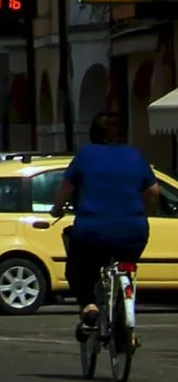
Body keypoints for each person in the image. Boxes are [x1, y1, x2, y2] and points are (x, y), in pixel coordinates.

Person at [59, 112, 154, 338]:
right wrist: (145, 212)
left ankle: (89, 307)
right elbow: (154, 192)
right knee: (125, 263)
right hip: (134, 231)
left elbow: (65, 189)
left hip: (92, 232)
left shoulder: (85, 155)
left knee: (78, 270)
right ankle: (124, 299)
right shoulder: (135, 156)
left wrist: (56, 208)